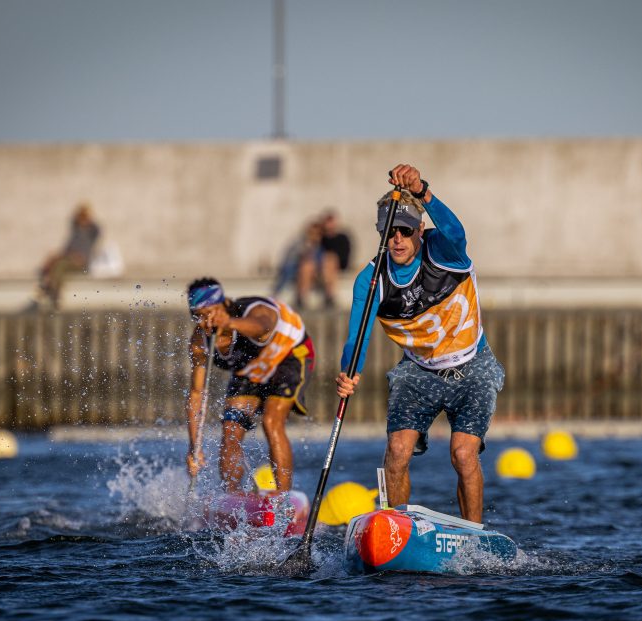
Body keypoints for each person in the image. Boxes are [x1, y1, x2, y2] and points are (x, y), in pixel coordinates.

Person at [334, 164, 505, 524]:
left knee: (462, 454)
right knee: (397, 450)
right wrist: (350, 373)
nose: (397, 239)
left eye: (405, 231)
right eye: (389, 231)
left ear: (420, 230)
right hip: (418, 371)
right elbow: (358, 336)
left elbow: (456, 230)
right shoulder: (371, 280)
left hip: (472, 366)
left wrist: (424, 191)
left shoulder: (445, 252)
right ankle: (394, 529)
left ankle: (473, 534)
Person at [186, 277, 315, 492]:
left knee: (271, 421)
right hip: (251, 368)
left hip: (289, 355)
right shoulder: (200, 343)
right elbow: (197, 393)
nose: (207, 322)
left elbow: (263, 327)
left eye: (211, 313)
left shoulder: (253, 309)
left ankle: (282, 497)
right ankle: (232, 495)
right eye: (199, 316)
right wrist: (193, 447)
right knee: (230, 428)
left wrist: (228, 323)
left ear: (224, 304)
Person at [37, 203, 101, 308]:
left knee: (60, 266)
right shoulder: (75, 233)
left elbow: (97, 230)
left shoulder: (90, 232)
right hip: (70, 260)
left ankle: (51, 290)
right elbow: (67, 250)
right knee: (56, 263)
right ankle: (51, 289)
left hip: (81, 264)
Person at [296, 210, 352, 309]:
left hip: (333, 267)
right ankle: (301, 297)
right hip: (318, 269)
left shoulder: (342, 237)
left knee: (330, 259)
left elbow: (344, 257)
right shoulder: (321, 238)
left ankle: (329, 296)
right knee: (307, 265)